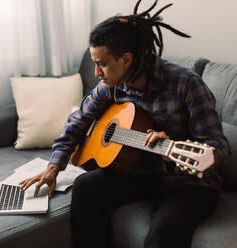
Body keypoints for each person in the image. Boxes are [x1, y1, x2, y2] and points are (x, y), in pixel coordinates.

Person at [20, 0, 230, 247]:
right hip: (139, 172)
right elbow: (79, 120)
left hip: (187, 183)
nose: (97, 73)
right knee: (85, 186)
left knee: (162, 235)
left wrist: (173, 146)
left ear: (127, 60)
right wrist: (54, 165)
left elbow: (218, 146)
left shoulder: (187, 85)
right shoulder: (113, 84)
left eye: (102, 64)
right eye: (95, 63)